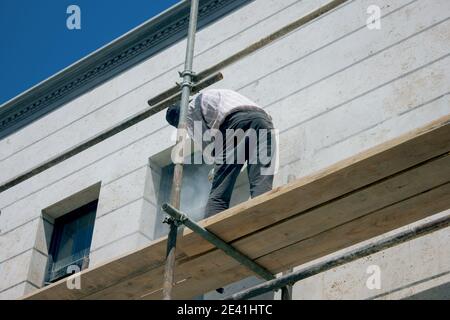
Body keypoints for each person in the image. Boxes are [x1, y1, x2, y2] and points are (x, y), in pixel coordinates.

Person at [166, 89, 276, 217]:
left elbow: (209, 146)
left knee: (219, 193)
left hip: (235, 124)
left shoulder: (189, 109)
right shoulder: (211, 95)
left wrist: (217, 168)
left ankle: (211, 230)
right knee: (261, 182)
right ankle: (264, 217)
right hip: (263, 121)